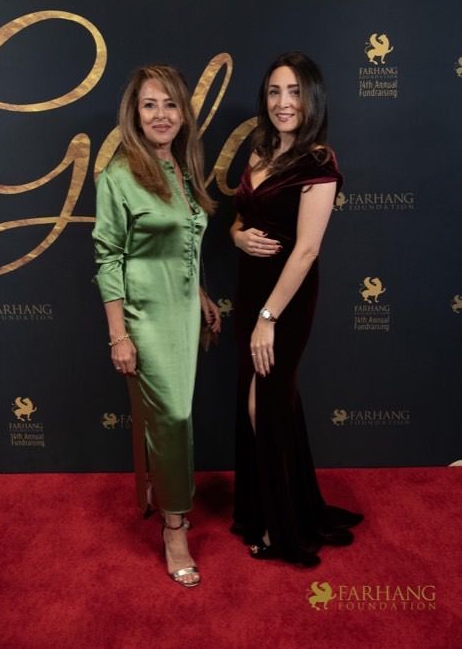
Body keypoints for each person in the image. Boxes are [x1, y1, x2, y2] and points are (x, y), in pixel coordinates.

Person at [230, 52, 363, 567]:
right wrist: (238, 237)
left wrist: (268, 319)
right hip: (249, 290)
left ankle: (280, 524)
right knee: (270, 403)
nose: (283, 103)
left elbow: (306, 250)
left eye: (294, 92)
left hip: (284, 300)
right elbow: (239, 219)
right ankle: (280, 506)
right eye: (274, 92)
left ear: (313, 98)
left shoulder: (319, 162)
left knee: (263, 405)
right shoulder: (261, 150)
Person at [92, 64, 220, 587]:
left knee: (175, 417)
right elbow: (108, 257)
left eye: (170, 104)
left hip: (183, 311)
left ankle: (161, 491)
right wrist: (118, 335)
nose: (161, 115)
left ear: (183, 114)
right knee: (174, 416)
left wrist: (200, 294)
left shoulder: (182, 167)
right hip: (144, 315)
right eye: (150, 105)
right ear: (135, 113)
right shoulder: (119, 175)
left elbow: (184, 239)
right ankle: (174, 527)